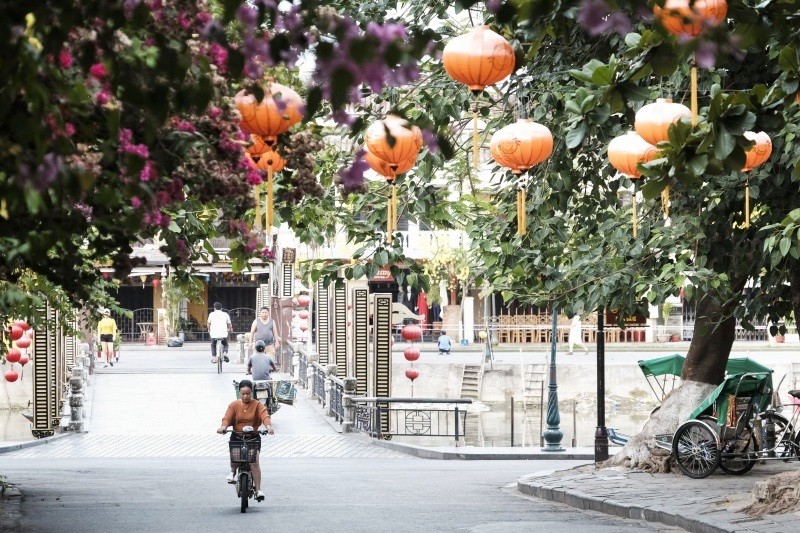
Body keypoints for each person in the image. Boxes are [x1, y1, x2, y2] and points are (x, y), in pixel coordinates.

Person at [217, 379, 274, 502]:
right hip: (237, 436)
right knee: (235, 457)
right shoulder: (234, 405)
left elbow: (264, 415)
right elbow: (227, 418)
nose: (245, 396)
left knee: (254, 462)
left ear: (251, 393)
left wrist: (268, 427)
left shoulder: (258, 405)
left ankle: (258, 490)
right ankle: (233, 472)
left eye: (248, 393)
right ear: (239, 393)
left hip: (253, 438)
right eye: (243, 394)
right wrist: (223, 427)